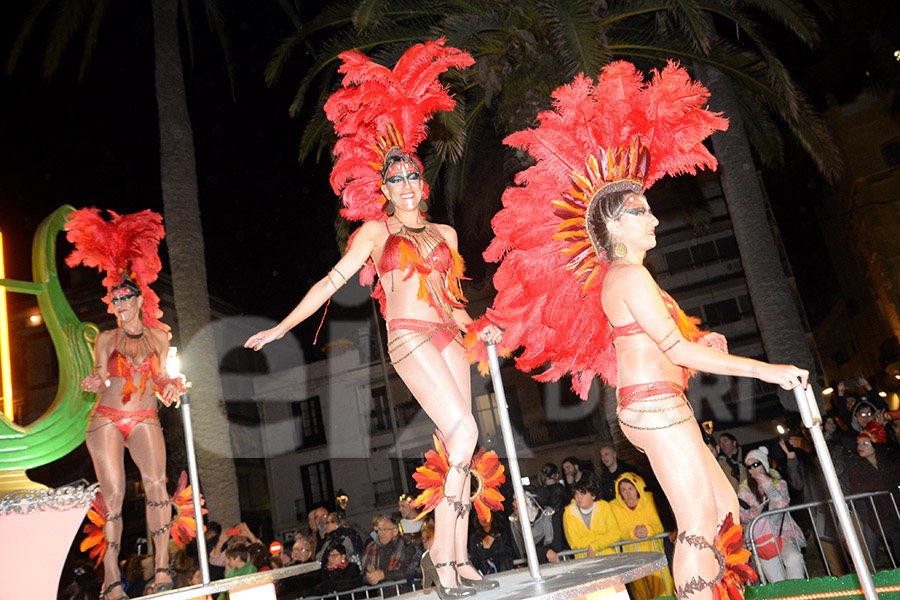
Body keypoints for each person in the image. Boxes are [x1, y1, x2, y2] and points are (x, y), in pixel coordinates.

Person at [482, 61, 808, 600]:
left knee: (725, 513)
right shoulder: (626, 274)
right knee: (700, 522)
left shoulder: (636, 278)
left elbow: (670, 343)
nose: (654, 220)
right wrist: (768, 371)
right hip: (654, 408)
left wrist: (700, 345)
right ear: (613, 225)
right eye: (641, 212)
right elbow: (672, 346)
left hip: (662, 403)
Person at [244, 40, 499, 600]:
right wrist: (284, 327)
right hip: (408, 338)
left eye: (413, 177)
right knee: (463, 432)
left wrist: (481, 326)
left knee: (461, 445)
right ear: (382, 190)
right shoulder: (374, 234)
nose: (407, 185)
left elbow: (450, 300)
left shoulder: (446, 236)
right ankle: (441, 554)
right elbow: (329, 284)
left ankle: (452, 556)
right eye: (396, 180)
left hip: (448, 335)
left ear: (421, 184)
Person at [65, 208, 185, 600]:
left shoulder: (157, 339)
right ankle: (112, 576)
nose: (118, 303)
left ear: (137, 300)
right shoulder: (106, 339)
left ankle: (163, 567)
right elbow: (100, 374)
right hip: (106, 419)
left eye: (125, 297)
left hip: (144, 416)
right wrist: (95, 380)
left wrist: (170, 387)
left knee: (157, 488)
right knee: (113, 494)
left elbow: (162, 375)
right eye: (114, 299)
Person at [738, 447, 806, 583]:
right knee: (776, 580)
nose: (752, 469)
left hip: (783, 533)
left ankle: (799, 593)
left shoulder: (778, 482)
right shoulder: (744, 489)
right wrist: (752, 514)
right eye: (749, 467)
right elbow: (741, 515)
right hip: (761, 539)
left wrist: (764, 480)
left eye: (756, 464)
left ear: (764, 464)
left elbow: (781, 504)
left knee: (794, 559)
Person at [610, 473, 675, 600]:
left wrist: (648, 530)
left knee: (665, 591)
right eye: (623, 490)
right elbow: (619, 531)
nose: (628, 494)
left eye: (631, 489)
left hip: (655, 558)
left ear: (637, 488)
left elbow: (658, 525)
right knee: (641, 596)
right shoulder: (614, 507)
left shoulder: (649, 499)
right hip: (634, 562)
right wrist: (632, 533)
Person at [562, 472, 620, 558]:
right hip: (585, 562)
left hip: (609, 558)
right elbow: (574, 543)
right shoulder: (569, 513)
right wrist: (603, 540)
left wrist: (595, 546)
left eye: (583, 493)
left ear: (593, 495)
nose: (579, 497)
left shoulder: (604, 507)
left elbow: (615, 534)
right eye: (576, 494)